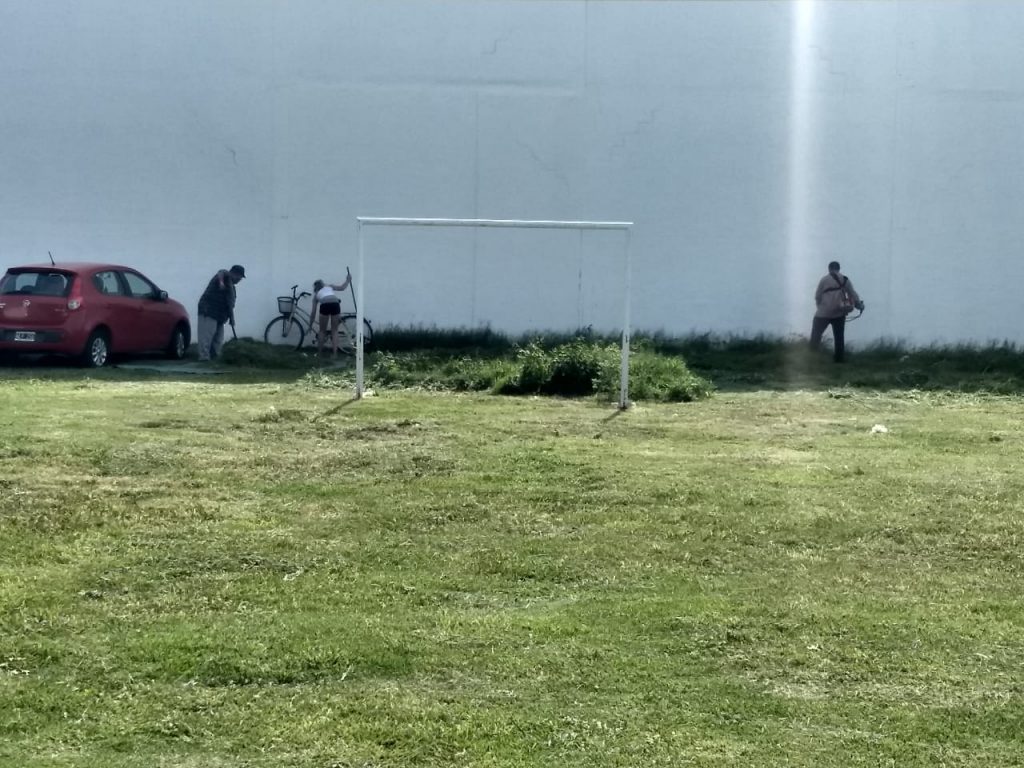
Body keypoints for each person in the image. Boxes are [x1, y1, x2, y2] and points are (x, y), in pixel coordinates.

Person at [809, 260, 864, 363]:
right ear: (839, 269)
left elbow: (817, 296)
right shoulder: (845, 279)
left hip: (823, 313)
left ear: (829, 269)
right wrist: (859, 305)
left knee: (816, 336)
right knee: (839, 337)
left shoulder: (824, 280)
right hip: (839, 313)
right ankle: (839, 360)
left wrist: (820, 307)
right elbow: (852, 293)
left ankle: (812, 358)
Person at [197, 264, 245, 361]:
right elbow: (221, 272)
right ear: (234, 273)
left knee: (218, 338)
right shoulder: (225, 277)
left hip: (220, 315)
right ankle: (204, 358)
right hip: (208, 310)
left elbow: (230, 304)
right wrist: (222, 283)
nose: (240, 280)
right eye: (239, 277)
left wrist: (232, 319)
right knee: (206, 336)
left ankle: (216, 358)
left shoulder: (232, 287)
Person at [310, 274, 352, 357]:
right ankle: (335, 354)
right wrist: (348, 280)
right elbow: (342, 287)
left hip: (325, 305)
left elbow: (313, 312)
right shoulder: (329, 287)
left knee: (322, 331)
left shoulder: (316, 296)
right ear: (323, 284)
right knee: (334, 330)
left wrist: (310, 325)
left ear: (315, 288)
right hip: (335, 303)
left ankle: (319, 353)